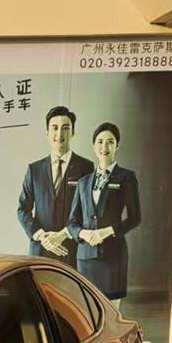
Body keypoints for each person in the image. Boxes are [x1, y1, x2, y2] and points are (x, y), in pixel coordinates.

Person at [66, 121, 141, 306]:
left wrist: (106, 231)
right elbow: (72, 223)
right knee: (86, 309)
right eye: (100, 142)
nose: (104, 147)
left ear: (117, 145)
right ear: (94, 146)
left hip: (113, 257)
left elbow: (135, 218)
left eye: (110, 142)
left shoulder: (126, 177)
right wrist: (84, 233)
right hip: (85, 258)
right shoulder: (83, 182)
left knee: (111, 310)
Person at [16, 106, 94, 264]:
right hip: (41, 250)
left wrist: (64, 234)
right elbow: (23, 209)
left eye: (65, 128)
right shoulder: (34, 170)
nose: (59, 134)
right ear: (47, 132)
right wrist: (41, 236)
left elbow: (88, 212)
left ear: (73, 132)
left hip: (73, 250)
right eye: (55, 128)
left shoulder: (86, 167)